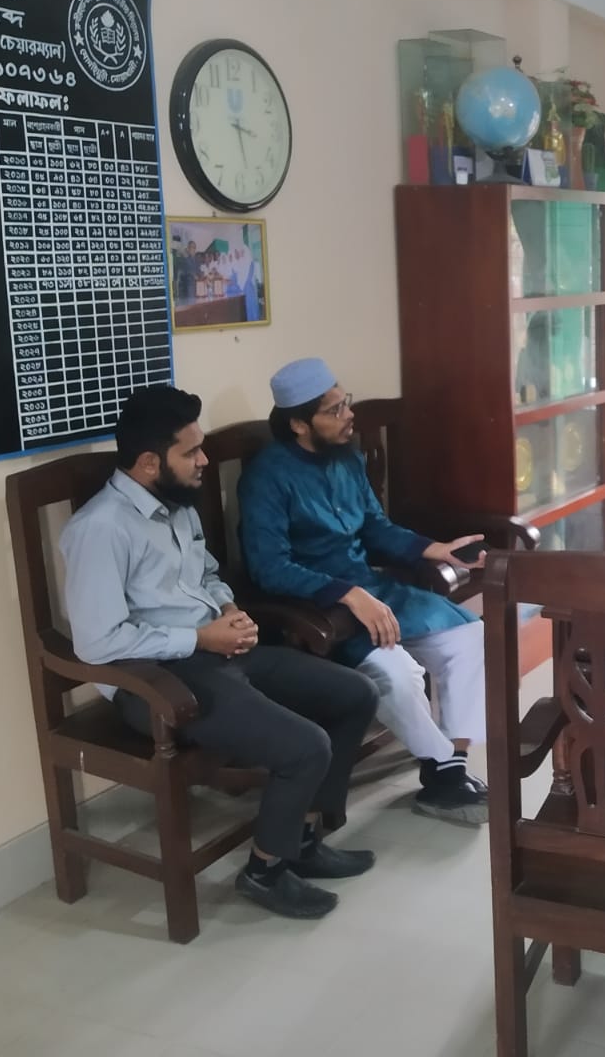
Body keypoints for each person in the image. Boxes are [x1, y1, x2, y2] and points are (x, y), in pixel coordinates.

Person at [59, 385, 379, 921]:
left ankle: (301, 841)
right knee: (306, 747)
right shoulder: (100, 529)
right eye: (191, 452)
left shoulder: (176, 504)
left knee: (355, 695)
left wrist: (228, 608)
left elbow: (205, 573)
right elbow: (98, 642)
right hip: (155, 681)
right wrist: (199, 639)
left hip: (216, 651)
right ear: (148, 462)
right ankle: (264, 871)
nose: (204, 460)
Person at [238, 358, 491, 825]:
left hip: (373, 591)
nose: (348, 415)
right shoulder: (266, 477)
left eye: (345, 402)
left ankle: (450, 764)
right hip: (319, 611)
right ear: (298, 424)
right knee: (399, 674)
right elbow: (269, 567)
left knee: (469, 637)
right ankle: (441, 769)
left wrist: (436, 549)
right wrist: (348, 594)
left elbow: (375, 527)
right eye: (334, 410)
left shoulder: (347, 458)